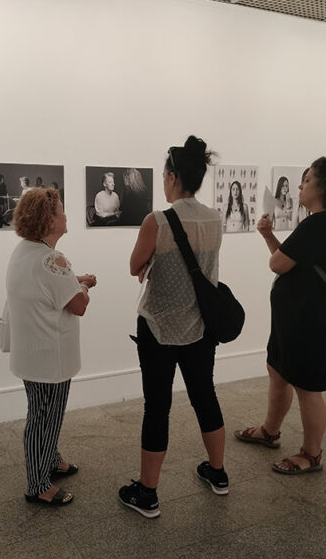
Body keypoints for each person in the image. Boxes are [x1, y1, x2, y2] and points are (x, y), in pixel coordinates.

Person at [119, 136, 227, 519]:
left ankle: (148, 493)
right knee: (205, 396)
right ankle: (218, 473)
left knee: (157, 407)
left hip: (159, 328)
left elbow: (135, 266)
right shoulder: (215, 219)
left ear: (171, 177)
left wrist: (152, 264)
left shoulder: (157, 221)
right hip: (200, 328)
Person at [234, 155, 326, 475]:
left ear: (323, 187)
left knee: (307, 386)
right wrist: (267, 235)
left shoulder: (320, 223)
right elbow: (290, 260)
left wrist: (269, 241)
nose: (301, 186)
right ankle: (269, 431)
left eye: (308, 180)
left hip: (312, 323)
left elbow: (277, 264)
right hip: (297, 320)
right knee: (278, 371)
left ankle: (312, 454)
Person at [6, 188, 97, 506]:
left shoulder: (25, 251)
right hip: (49, 358)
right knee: (45, 418)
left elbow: (48, 286)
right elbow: (78, 305)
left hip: (31, 353)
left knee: (42, 413)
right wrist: (83, 284)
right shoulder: (52, 259)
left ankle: (51, 459)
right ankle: (37, 484)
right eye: (61, 211)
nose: (66, 215)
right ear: (49, 220)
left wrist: (74, 279)